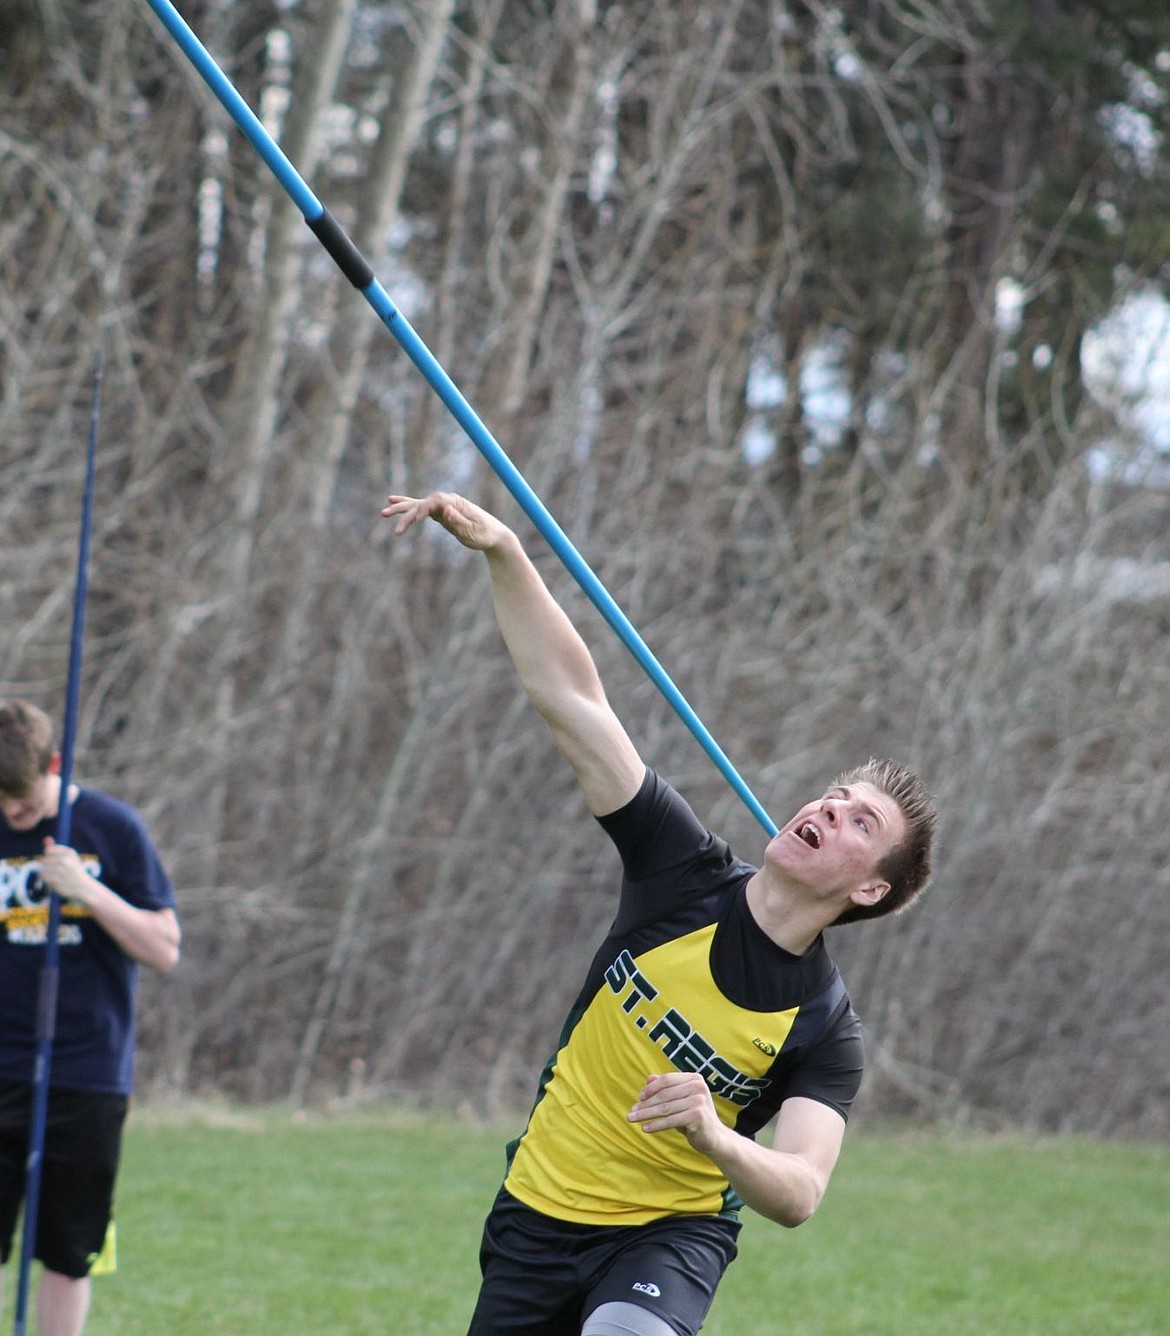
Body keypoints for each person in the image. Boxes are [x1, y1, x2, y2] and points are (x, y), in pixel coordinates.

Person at [382, 492, 937, 1336]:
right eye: (836, 794)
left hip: (667, 1236)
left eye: (863, 823)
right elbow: (575, 703)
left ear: (869, 890)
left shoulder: (824, 1028)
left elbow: (799, 1193)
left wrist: (718, 1137)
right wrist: (504, 553)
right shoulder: (682, 871)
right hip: (536, 1211)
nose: (831, 808)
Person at [0, 699, 180, 1336]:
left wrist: (88, 891)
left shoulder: (111, 828)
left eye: (21, 805)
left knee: (69, 1247)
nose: (10, 817)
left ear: (53, 765)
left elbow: (164, 947)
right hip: (3, 1062)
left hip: (86, 1070)